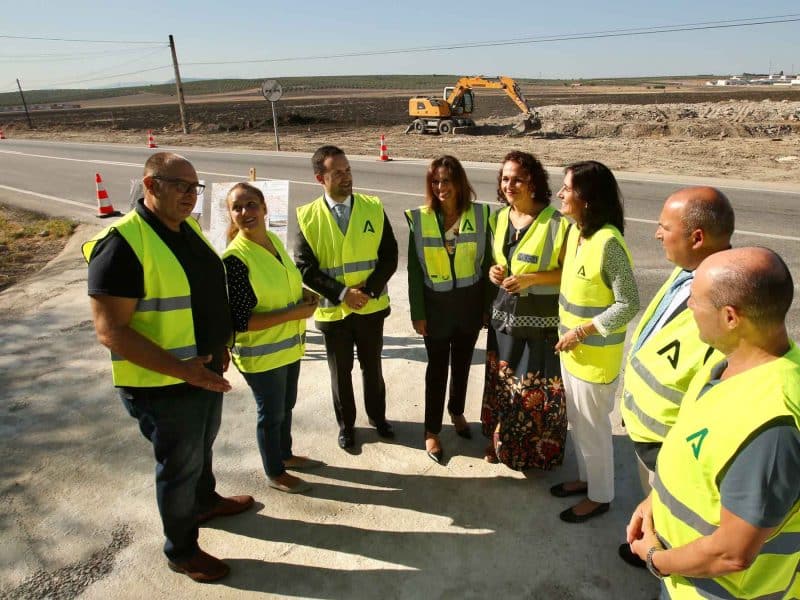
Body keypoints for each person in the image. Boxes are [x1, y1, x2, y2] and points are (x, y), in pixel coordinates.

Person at [83, 153, 254, 582]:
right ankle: (181, 549)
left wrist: (219, 347)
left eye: (195, 188)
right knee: (179, 466)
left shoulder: (186, 228)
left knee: (202, 445)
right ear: (151, 184)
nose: (190, 196)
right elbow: (111, 331)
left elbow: (203, 292)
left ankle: (205, 500)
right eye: (180, 185)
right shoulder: (123, 243)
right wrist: (187, 370)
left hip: (203, 371)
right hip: (162, 384)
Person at [627, 247, 800, 600]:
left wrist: (656, 559)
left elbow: (732, 553)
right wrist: (653, 503)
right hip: (683, 575)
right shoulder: (725, 365)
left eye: (695, 300)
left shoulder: (773, 426)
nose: (688, 307)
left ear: (730, 317)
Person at [617, 187, 734, 568]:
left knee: (673, 521)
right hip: (647, 432)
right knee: (650, 507)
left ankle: (659, 563)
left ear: (697, 238)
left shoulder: (723, 304)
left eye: (664, 227)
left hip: (670, 446)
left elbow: (711, 397)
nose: (655, 234)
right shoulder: (687, 272)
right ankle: (646, 542)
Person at [294, 145, 399, 450]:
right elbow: (304, 267)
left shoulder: (372, 207)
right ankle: (347, 426)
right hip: (333, 312)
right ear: (320, 178)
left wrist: (366, 292)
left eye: (348, 169)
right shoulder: (307, 216)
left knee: (372, 368)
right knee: (340, 374)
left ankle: (378, 418)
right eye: (337, 172)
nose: (346, 177)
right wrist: (342, 294)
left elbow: (389, 256)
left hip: (370, 307)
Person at [222, 182, 323, 494]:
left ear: (265, 208)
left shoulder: (274, 242)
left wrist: (302, 292)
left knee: (287, 405)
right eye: (237, 208)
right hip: (261, 355)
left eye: (251, 204)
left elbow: (284, 280)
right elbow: (242, 321)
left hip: (288, 347)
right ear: (231, 216)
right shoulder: (235, 259)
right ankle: (275, 472)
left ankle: (286, 454)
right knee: (271, 414)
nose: (245, 212)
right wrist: (294, 314)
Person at [553, 160, 639, 523]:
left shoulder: (608, 243)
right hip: (571, 352)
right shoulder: (576, 232)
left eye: (567, 188)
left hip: (594, 358)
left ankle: (600, 496)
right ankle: (586, 480)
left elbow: (629, 303)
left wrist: (583, 331)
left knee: (595, 430)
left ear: (586, 198)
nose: (561, 193)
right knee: (579, 423)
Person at [480, 150, 571, 471]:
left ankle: (535, 456)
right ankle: (499, 445)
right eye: (505, 178)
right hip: (503, 321)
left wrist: (532, 278)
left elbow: (568, 273)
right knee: (503, 389)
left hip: (540, 326)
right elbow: (499, 261)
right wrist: (495, 272)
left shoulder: (558, 224)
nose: (510, 184)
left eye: (517, 178)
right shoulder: (498, 218)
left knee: (534, 392)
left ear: (534, 181)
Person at [406, 155, 491, 463]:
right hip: (436, 307)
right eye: (436, 181)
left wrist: (486, 307)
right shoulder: (421, 218)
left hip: (469, 305)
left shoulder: (480, 215)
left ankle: (456, 412)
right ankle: (431, 431)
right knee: (437, 369)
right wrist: (418, 312)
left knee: (464, 364)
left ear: (459, 183)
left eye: (447, 180)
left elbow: (489, 264)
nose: (441, 187)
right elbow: (415, 270)